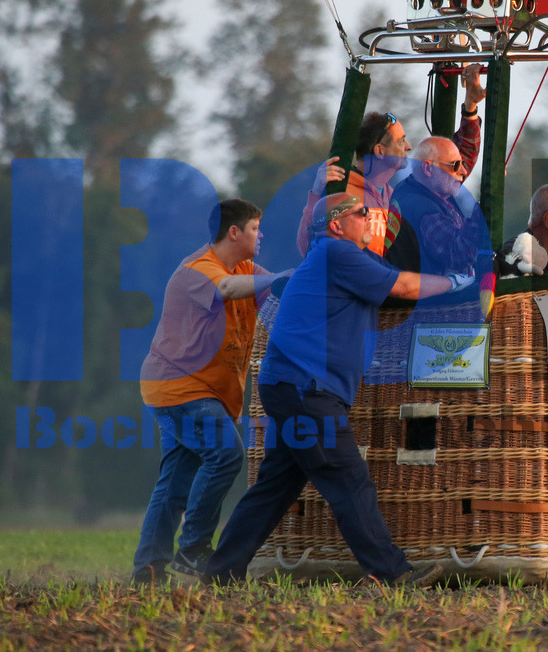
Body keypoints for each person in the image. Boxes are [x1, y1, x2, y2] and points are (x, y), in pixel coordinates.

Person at [202, 193, 471, 586]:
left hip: (291, 386)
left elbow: (398, 273)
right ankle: (390, 572)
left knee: (275, 487)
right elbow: (403, 287)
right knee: (349, 479)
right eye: (362, 213)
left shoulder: (342, 258)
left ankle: (219, 572)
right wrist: (458, 281)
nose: (369, 217)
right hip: (306, 389)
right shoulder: (338, 255)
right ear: (336, 224)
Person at [132, 199, 291, 586]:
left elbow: (276, 294)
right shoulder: (197, 270)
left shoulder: (248, 270)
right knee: (225, 454)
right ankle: (194, 549)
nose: (261, 235)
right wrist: (278, 278)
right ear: (234, 232)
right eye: (255, 228)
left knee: (173, 484)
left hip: (205, 392)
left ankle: (148, 571)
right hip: (179, 387)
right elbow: (227, 288)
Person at [296, 64, 487, 258]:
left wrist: (470, 108)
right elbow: (308, 249)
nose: (409, 147)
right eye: (401, 141)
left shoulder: (395, 195)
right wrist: (317, 194)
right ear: (380, 151)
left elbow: (451, 169)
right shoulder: (345, 192)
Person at [384, 136, 483, 280]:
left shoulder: (413, 187)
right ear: (428, 168)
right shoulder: (423, 210)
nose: (463, 171)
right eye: (456, 165)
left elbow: (466, 154)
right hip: (437, 300)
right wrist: (480, 211)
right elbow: (459, 254)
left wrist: (470, 115)